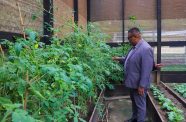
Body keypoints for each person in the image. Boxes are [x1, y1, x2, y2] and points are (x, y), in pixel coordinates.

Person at [113, 27, 163, 122]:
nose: (128, 40)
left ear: (136, 36)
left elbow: (146, 70)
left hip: (139, 85)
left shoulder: (145, 48)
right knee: (134, 103)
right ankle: (134, 118)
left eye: (129, 38)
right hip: (132, 83)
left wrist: (142, 86)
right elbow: (129, 60)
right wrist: (118, 58)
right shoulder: (135, 48)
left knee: (140, 105)